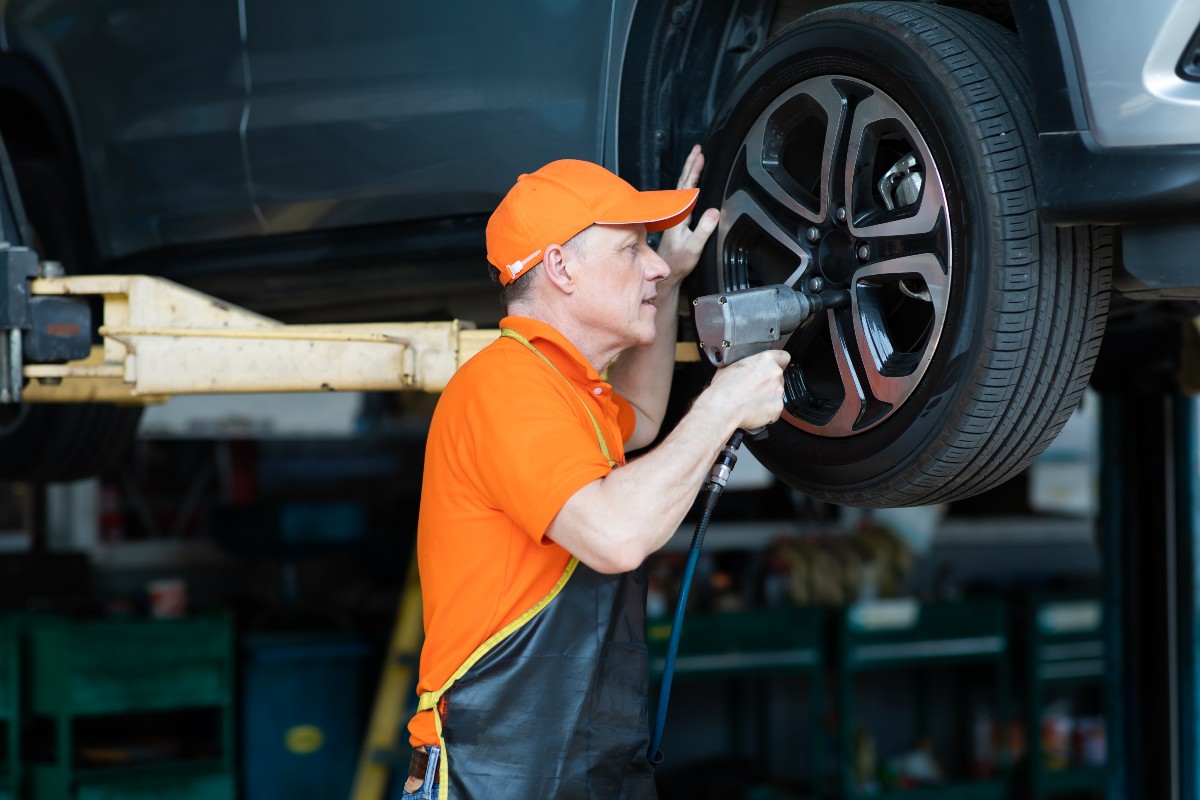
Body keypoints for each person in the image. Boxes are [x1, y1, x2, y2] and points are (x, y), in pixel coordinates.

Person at [403, 146, 790, 800]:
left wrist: (665, 291)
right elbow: (615, 535)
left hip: (579, 766)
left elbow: (636, 415)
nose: (653, 263)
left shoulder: (564, 390)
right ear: (560, 266)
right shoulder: (504, 387)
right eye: (630, 250)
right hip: (495, 775)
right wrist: (721, 403)